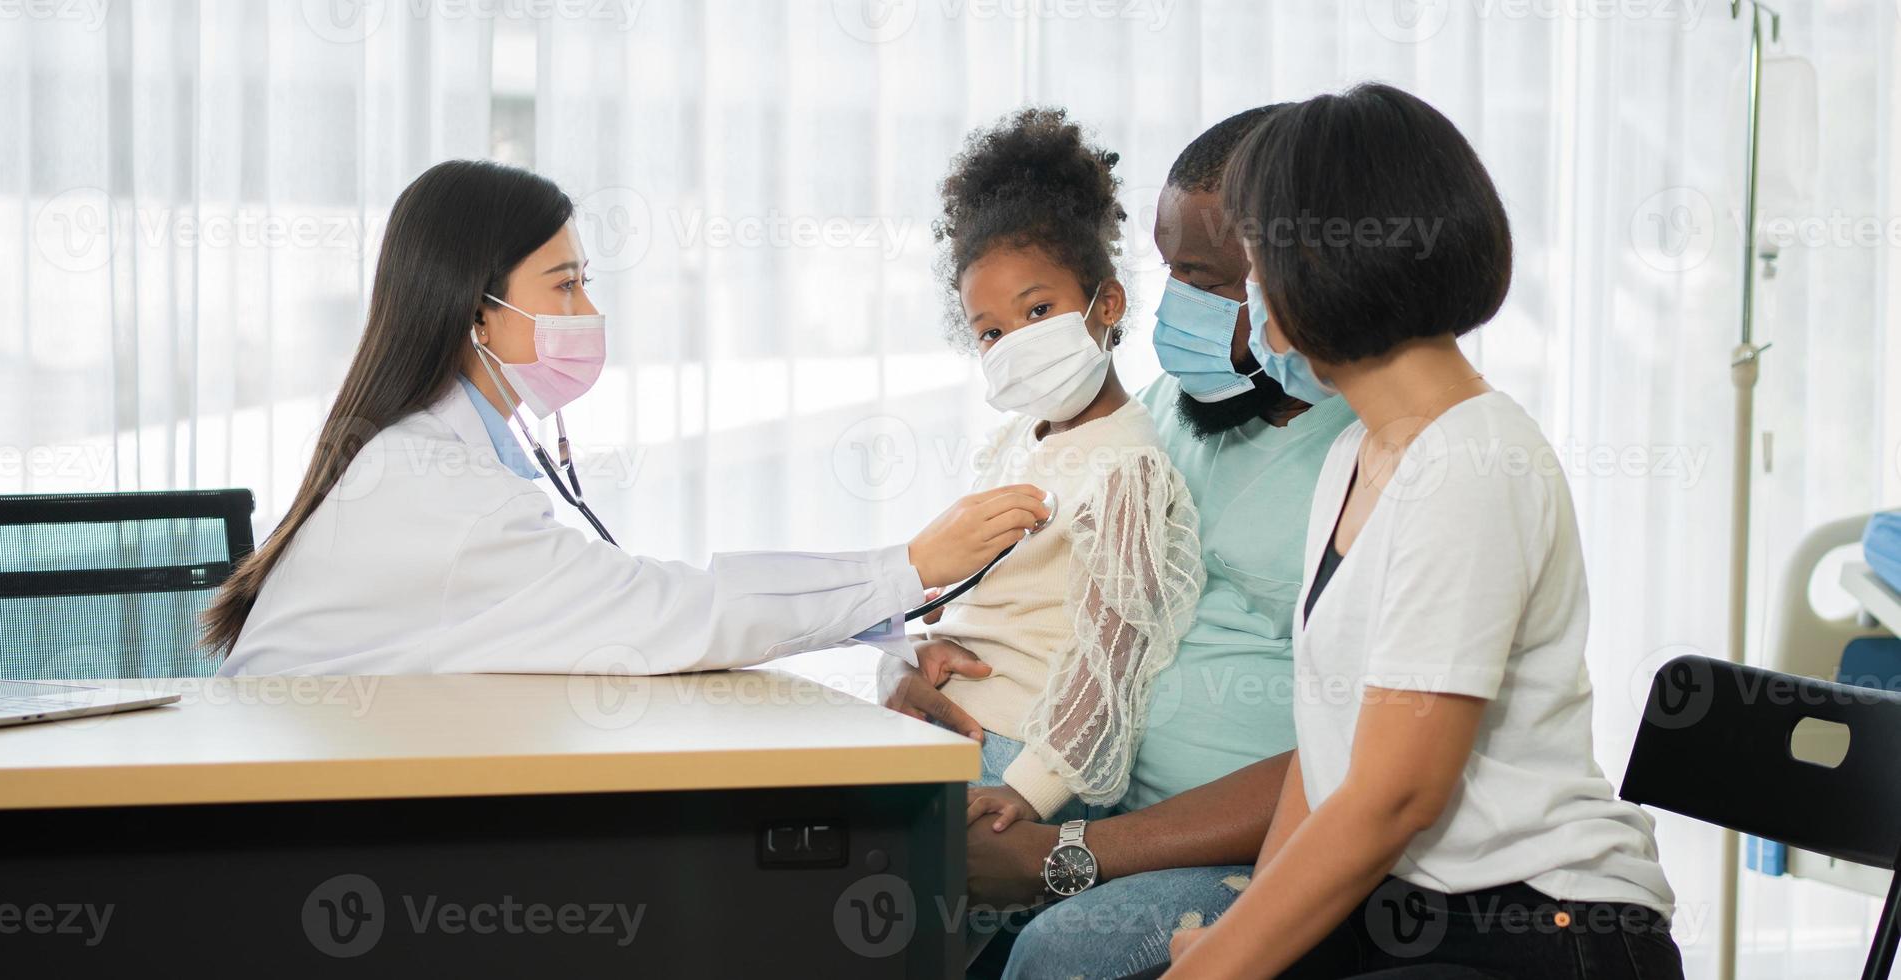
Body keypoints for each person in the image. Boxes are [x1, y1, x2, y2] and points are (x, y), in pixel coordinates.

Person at [1162, 83, 1682, 978]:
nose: (1247, 292)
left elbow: (1394, 798)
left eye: (1252, 258)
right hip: (1405, 910)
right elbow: (1326, 761)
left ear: (1321, 259)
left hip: (1544, 926)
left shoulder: (1473, 463)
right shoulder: (1356, 457)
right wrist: (1238, 928)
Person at [206, 159, 1050, 675]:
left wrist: (881, 625)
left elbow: (632, 608)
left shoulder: (453, 451)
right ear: (478, 313)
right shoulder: (435, 482)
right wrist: (905, 564)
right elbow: (664, 610)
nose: (589, 308)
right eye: (565, 284)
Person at [883, 106, 1360, 980]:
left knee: (1055, 955)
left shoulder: (1373, 455)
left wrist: (1066, 846)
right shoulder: (1172, 411)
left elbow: (1357, 763)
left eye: (1208, 278)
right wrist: (938, 648)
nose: (1176, 306)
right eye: (1172, 270)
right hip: (1092, 796)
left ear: (1299, 274)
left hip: (1234, 842)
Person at [926, 107, 1205, 830]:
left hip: (1021, 755)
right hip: (960, 726)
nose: (1016, 342)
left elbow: (1113, 656)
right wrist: (920, 653)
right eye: (991, 331)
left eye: (1040, 309)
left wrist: (1030, 792)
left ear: (1106, 303)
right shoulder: (1025, 439)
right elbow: (980, 593)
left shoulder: (1126, 464)